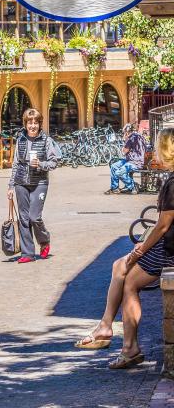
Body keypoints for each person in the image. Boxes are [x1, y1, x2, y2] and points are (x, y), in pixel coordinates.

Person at [76, 128, 174, 369]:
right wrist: (143, 243)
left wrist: (140, 250)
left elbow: (163, 226)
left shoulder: (172, 183)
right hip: (165, 243)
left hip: (169, 249)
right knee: (118, 266)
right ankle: (107, 326)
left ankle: (126, 344)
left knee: (129, 281)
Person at [7, 107, 60, 264]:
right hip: (21, 182)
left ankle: (44, 240)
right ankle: (28, 253)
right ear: (25, 124)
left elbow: (55, 162)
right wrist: (11, 186)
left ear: (39, 124)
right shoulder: (20, 140)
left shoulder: (46, 140)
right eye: (29, 123)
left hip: (40, 182)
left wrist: (41, 164)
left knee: (34, 217)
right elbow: (16, 163)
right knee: (24, 218)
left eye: (36, 123)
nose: (32, 126)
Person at [108, 123, 147, 194]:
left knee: (118, 172)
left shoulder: (130, 138)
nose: (124, 134)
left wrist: (125, 140)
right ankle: (114, 188)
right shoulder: (140, 136)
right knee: (114, 166)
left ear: (127, 132)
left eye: (125, 132)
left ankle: (132, 186)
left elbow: (124, 151)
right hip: (132, 160)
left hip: (135, 163)